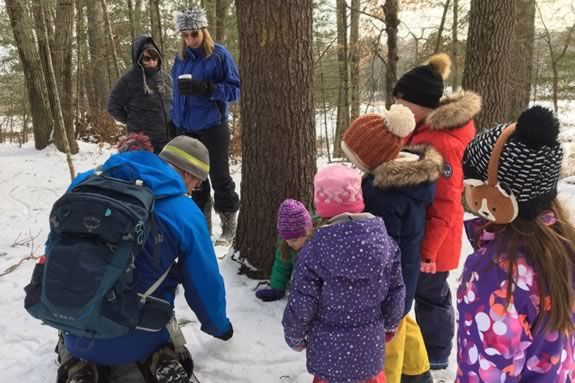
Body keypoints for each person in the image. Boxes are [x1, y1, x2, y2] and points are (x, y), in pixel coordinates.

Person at [56, 135, 233, 383]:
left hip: (74, 320)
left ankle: (76, 363)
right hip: (141, 333)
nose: (194, 190)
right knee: (160, 295)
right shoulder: (183, 211)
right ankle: (163, 356)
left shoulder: (84, 182)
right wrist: (220, 327)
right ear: (189, 175)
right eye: (199, 184)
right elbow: (204, 281)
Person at [457, 106, 575, 381]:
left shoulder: (495, 275)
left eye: (473, 181)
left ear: (498, 195)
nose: (467, 190)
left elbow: (484, 368)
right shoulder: (563, 245)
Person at [341, 104, 443, 383]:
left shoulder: (383, 195)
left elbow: (379, 249)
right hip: (405, 274)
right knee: (403, 320)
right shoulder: (406, 180)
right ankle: (419, 373)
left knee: (389, 341)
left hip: (389, 280)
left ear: (374, 158)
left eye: (355, 158)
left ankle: (395, 376)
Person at [393, 52, 481, 370]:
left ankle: (438, 354)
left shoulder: (442, 143)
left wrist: (428, 252)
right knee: (424, 294)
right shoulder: (423, 129)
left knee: (432, 297)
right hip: (423, 234)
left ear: (421, 104)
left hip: (435, 242)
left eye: (402, 102)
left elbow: (445, 201)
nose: (398, 108)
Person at [282, 165, 406, 383]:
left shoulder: (312, 253)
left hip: (328, 357)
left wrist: (294, 336)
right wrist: (389, 325)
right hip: (370, 353)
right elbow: (396, 292)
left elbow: (301, 304)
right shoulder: (386, 245)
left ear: (320, 205)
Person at [171, 7, 240, 244]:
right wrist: (175, 122)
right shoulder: (179, 59)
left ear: (203, 31)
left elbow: (235, 90)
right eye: (185, 34)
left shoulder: (219, 55)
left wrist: (207, 88)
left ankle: (229, 226)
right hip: (185, 128)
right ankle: (203, 225)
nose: (190, 39)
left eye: (194, 34)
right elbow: (176, 95)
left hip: (213, 125)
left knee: (219, 177)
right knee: (194, 179)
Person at [108, 35, 173, 154]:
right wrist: (132, 121)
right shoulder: (128, 80)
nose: (152, 62)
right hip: (143, 143)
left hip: (168, 141)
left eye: (155, 57)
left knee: (167, 172)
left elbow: (174, 103)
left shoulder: (166, 78)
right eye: (147, 58)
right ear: (138, 59)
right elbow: (113, 106)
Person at [255, 199, 313, 302]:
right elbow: (281, 266)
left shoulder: (319, 243)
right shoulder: (286, 244)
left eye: (294, 240)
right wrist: (277, 288)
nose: (289, 243)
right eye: (286, 239)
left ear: (307, 232)